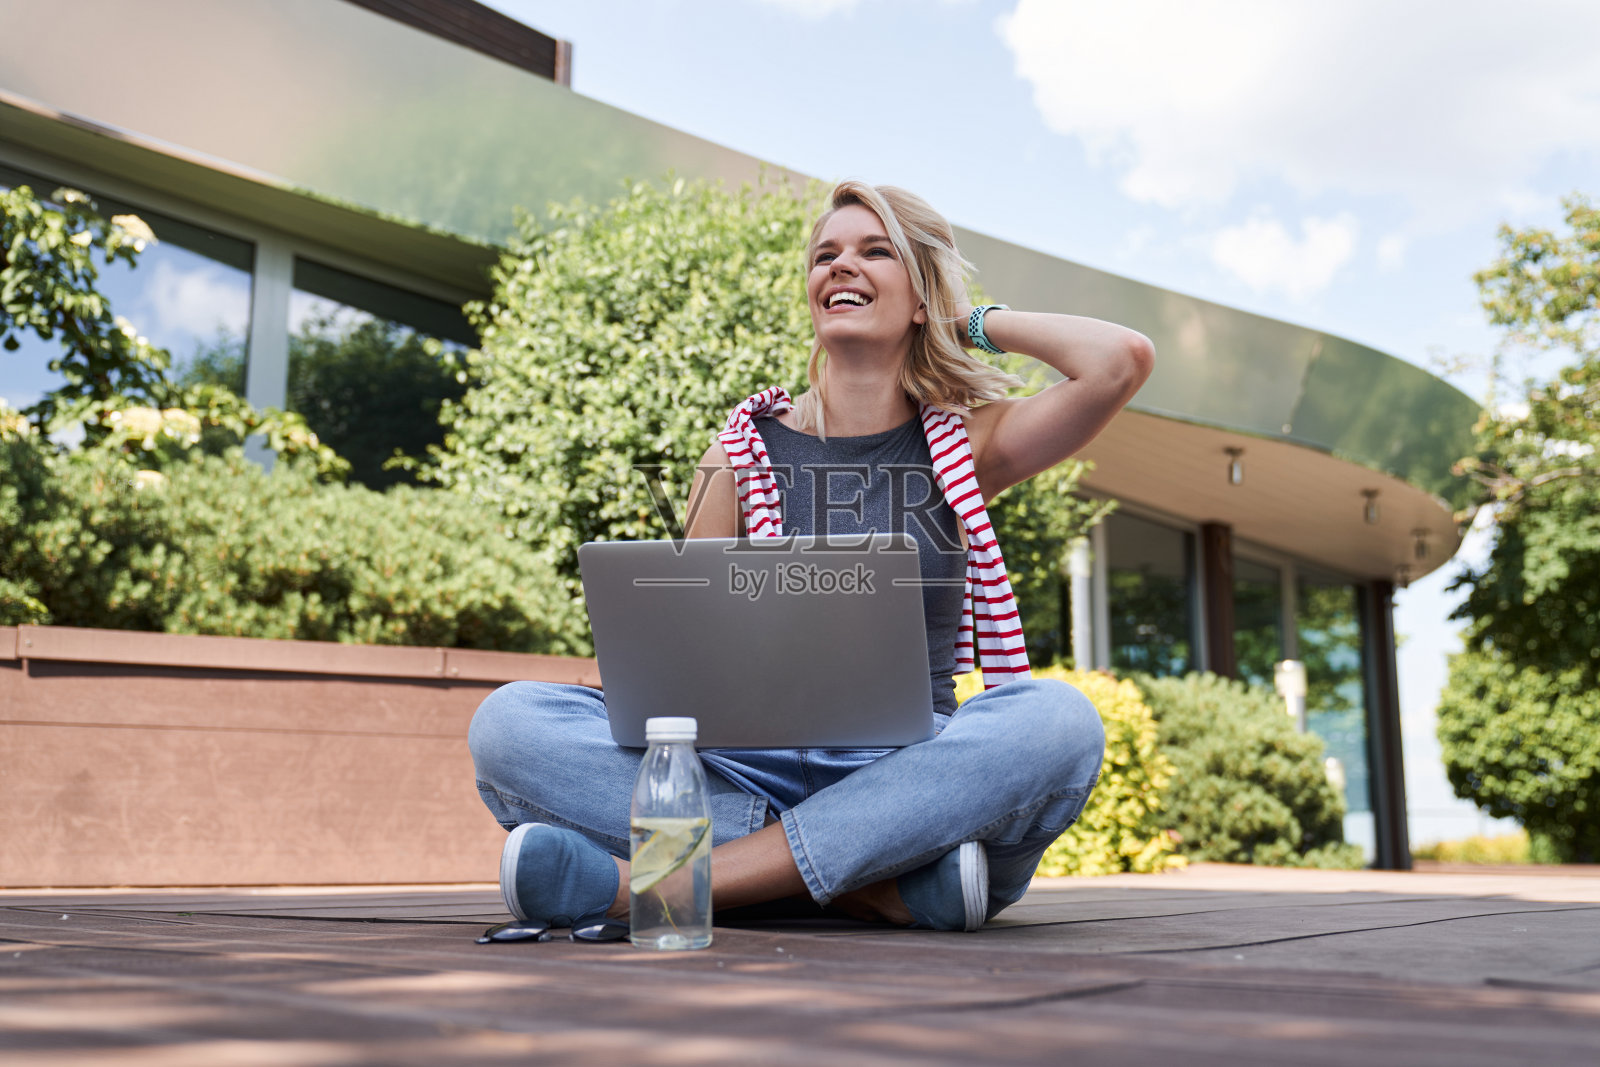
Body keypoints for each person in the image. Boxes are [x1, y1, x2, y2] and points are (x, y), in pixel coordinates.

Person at [469, 180, 1154, 931]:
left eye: (874, 251)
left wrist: (971, 322)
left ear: (921, 295)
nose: (840, 266)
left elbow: (1119, 360)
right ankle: (875, 883)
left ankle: (650, 887)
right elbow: (682, 663)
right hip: (749, 764)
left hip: (908, 767)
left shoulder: (968, 443)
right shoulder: (737, 455)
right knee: (509, 725)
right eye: (824, 255)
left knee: (1058, 723)